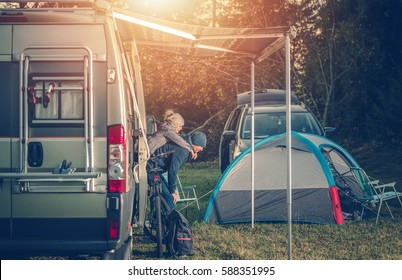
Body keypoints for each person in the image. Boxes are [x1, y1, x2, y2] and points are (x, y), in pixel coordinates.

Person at [147, 131, 207, 210]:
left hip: (155, 167)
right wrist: (172, 191)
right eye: (201, 146)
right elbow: (172, 170)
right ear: (195, 143)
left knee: (164, 195)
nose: (202, 149)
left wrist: (192, 152)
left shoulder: (185, 143)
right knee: (169, 199)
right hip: (151, 168)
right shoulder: (183, 150)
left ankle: (158, 219)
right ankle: (170, 221)